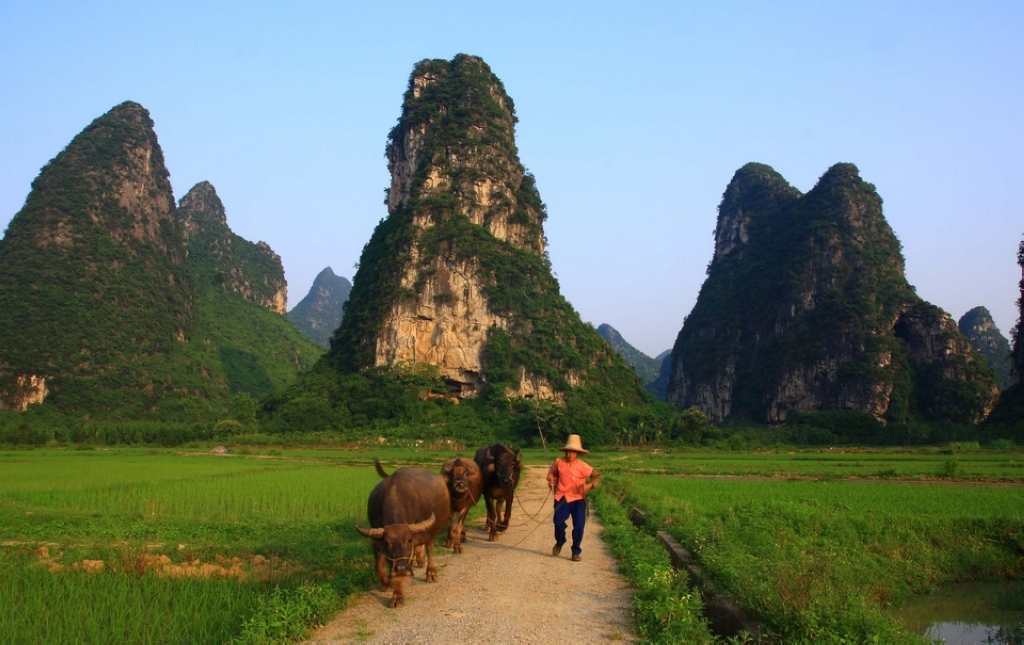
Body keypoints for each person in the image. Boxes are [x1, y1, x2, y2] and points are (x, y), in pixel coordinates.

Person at [546, 434, 601, 562]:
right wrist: (551, 480)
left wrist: (589, 486)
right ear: (565, 451)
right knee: (558, 522)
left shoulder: (583, 466)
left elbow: (597, 476)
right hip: (562, 497)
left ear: (577, 453)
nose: (570, 454)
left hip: (578, 499)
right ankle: (560, 541)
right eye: (568, 451)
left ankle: (575, 551)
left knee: (579, 526)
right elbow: (551, 473)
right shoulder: (559, 462)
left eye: (573, 452)